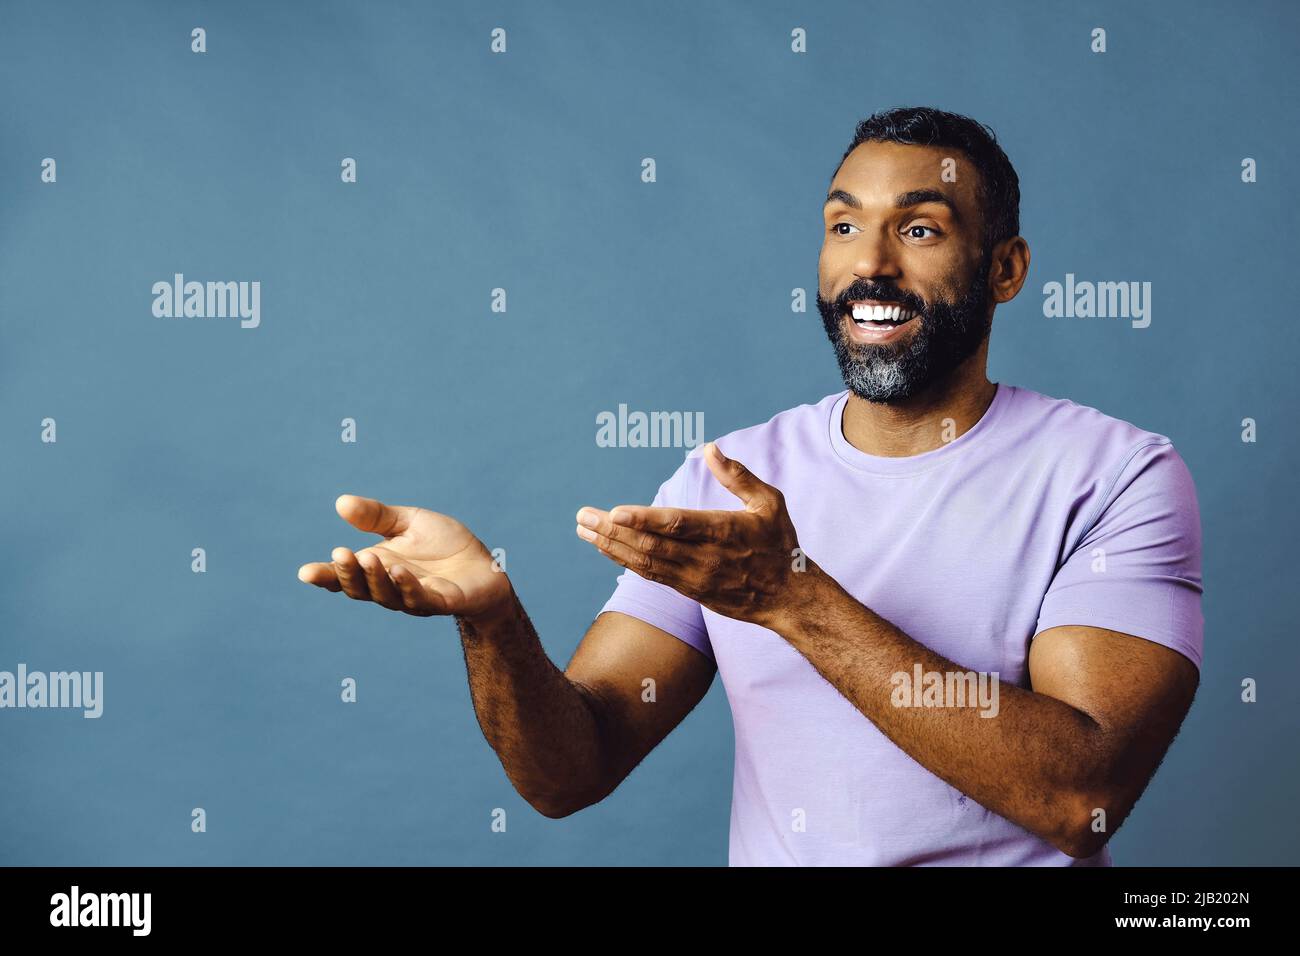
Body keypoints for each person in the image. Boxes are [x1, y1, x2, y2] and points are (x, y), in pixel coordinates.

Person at [297, 106, 1202, 866]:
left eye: (919, 228)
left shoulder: (1114, 476)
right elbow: (571, 772)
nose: (870, 265)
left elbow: (1080, 795)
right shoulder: (732, 478)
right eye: (844, 225)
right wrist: (493, 623)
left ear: (1005, 269)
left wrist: (793, 597)